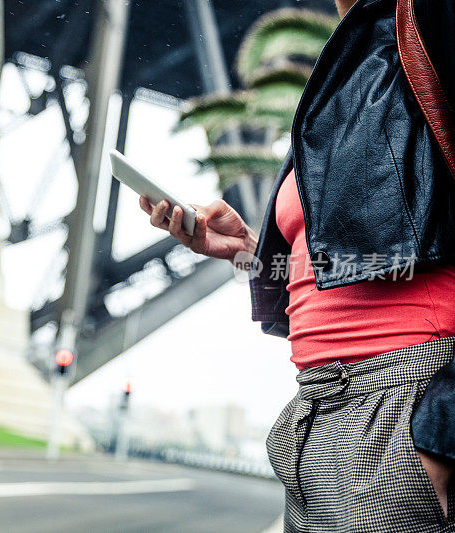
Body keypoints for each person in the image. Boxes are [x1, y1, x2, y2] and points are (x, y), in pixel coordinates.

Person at [139, 0, 455, 530]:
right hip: (315, 409)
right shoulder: (348, 63)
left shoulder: (431, 24)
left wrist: (443, 427)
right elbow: (336, 271)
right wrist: (243, 251)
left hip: (403, 405)